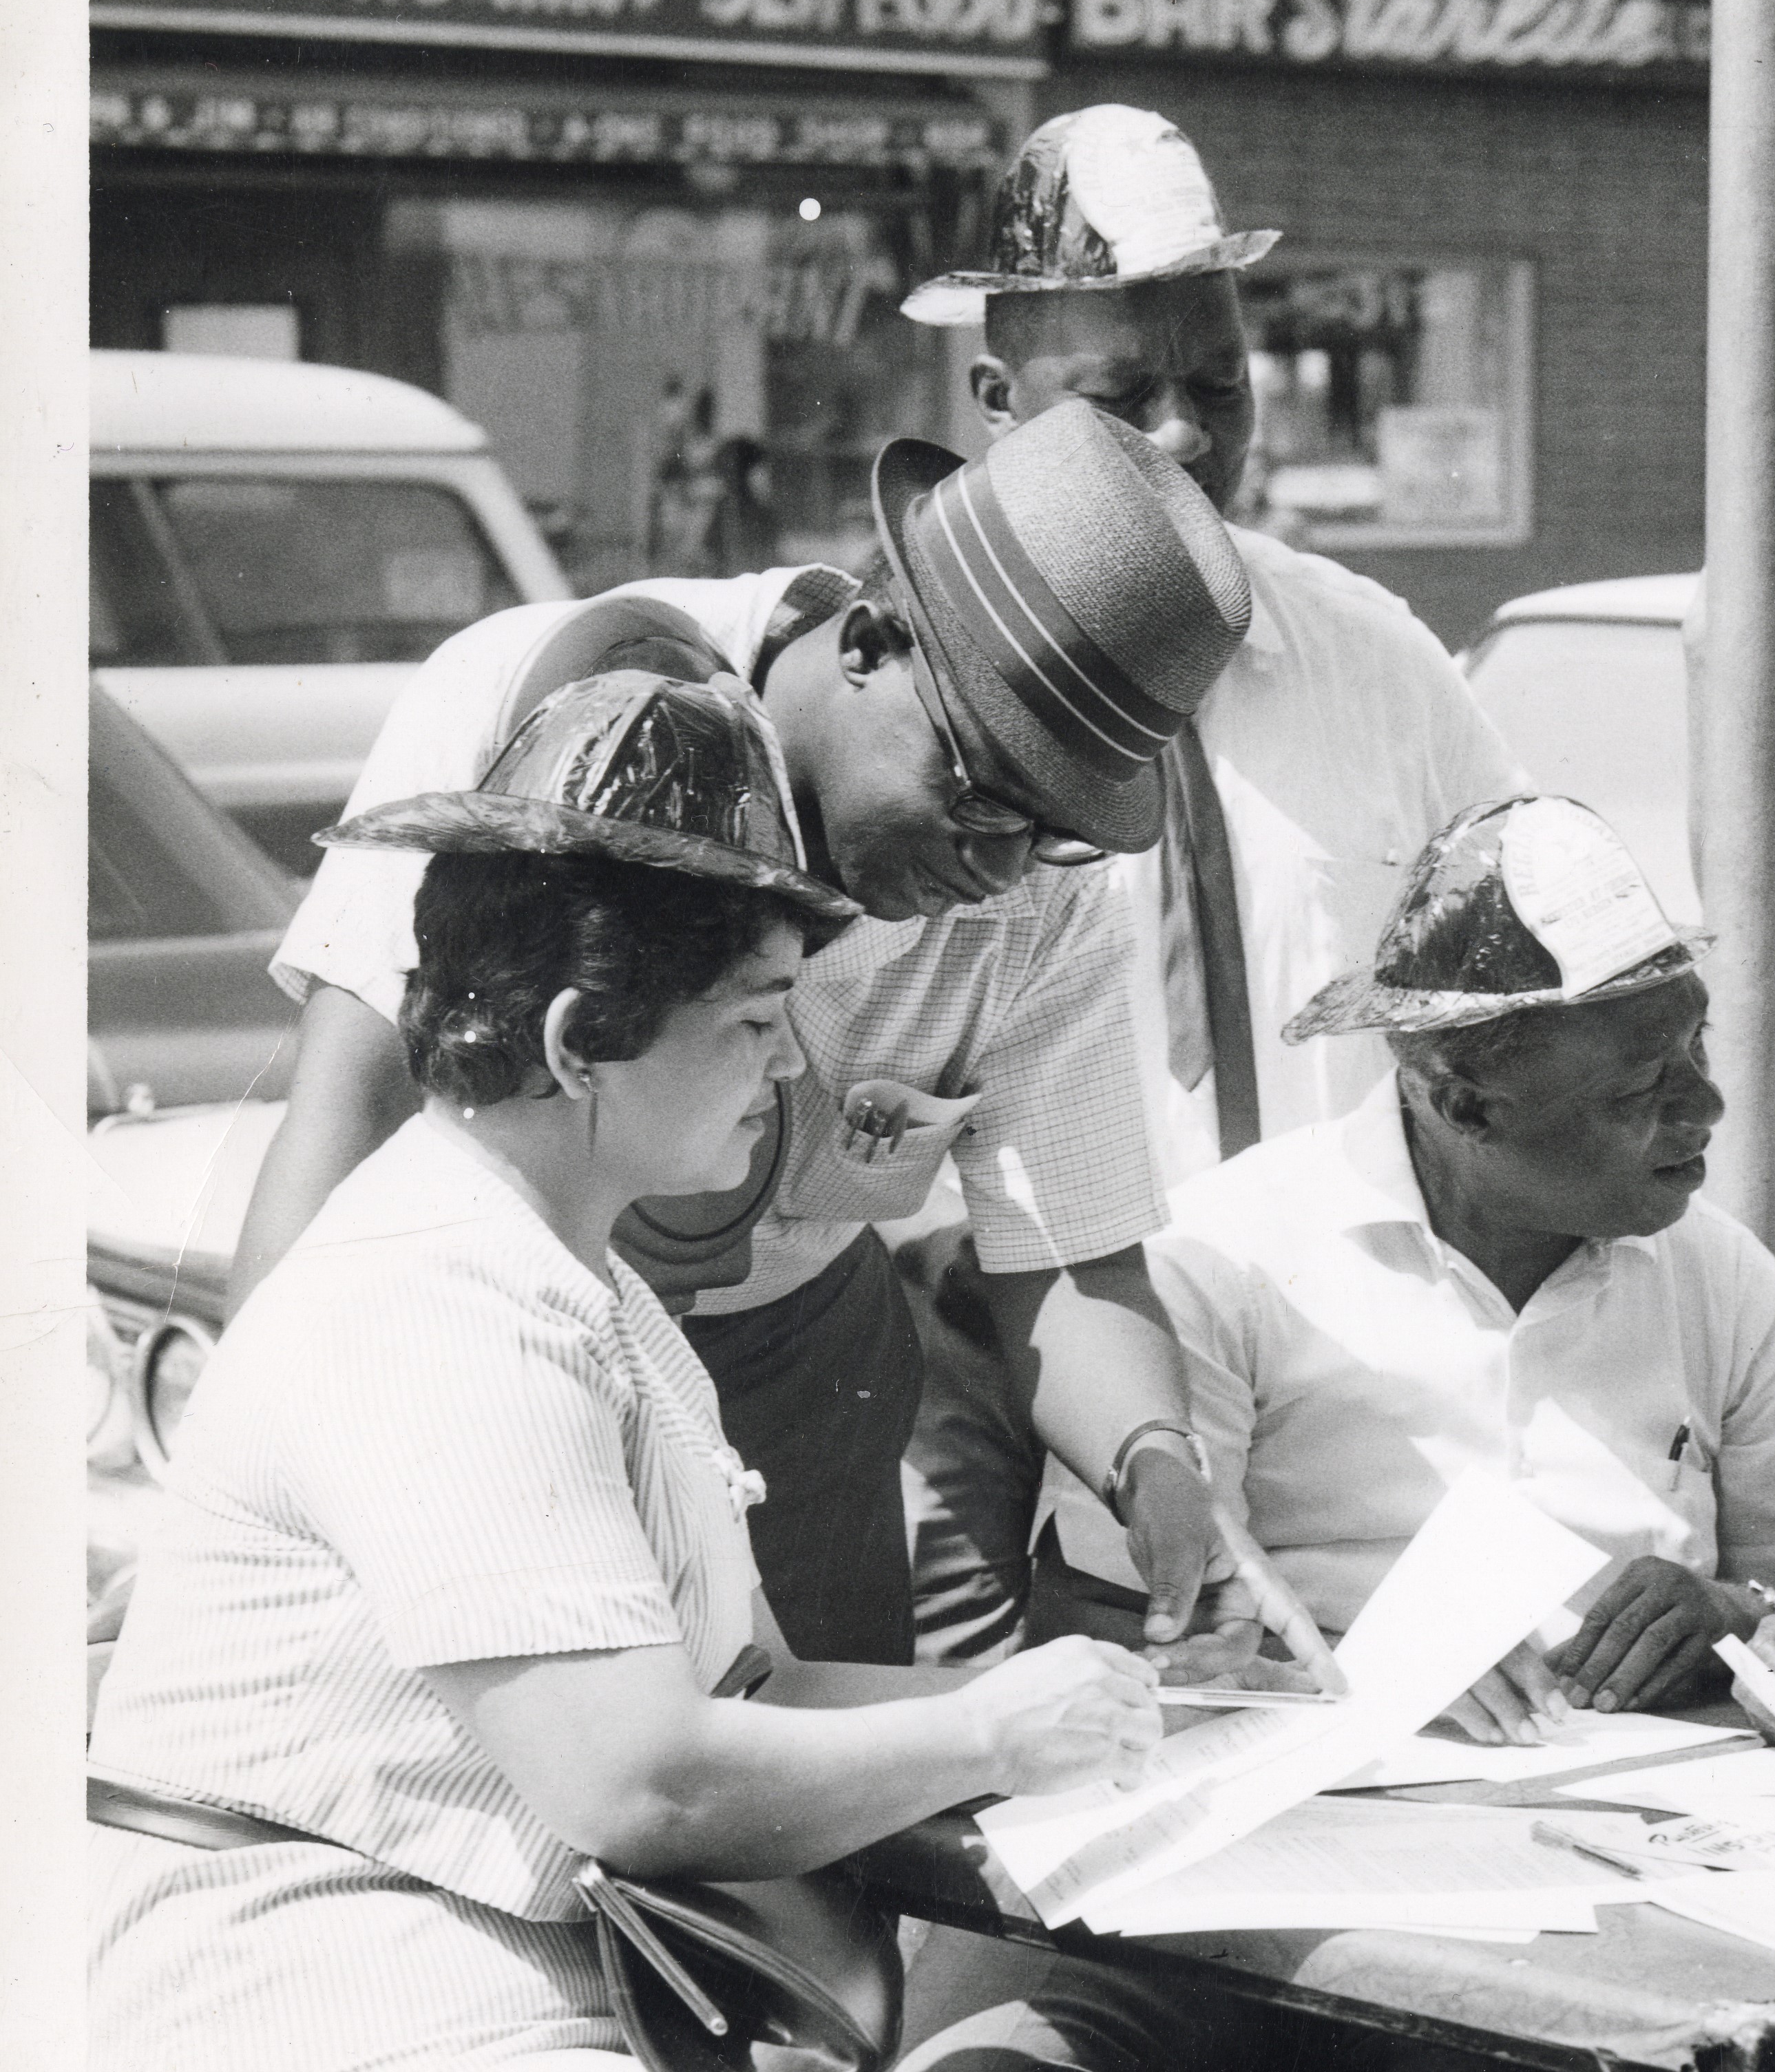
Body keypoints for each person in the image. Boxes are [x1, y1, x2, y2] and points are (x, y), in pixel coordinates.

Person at [87, 673, 1169, 2072]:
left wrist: (1094, 1739)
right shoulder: (441, 1301)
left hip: (472, 2036)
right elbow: (635, 1780)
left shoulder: (571, 1279)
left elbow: (734, 1696)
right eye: (756, 1023)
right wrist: (987, 1719)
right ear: (586, 1038)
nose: (786, 1072)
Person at [903, 794, 1775, 2072]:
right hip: (1250, 1896)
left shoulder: (1709, 1270)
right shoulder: (1228, 1255)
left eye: (1694, 1061)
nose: (1705, 1113)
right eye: (1643, 1081)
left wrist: (1738, 1610)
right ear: (1458, 1095)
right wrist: (1366, 1680)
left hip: (1585, 1918)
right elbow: (1116, 1636)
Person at [231, 398, 1305, 1680]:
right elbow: (345, 1127)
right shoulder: (557, 702)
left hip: (795, 1364)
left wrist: (1156, 1461)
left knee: (813, 1806)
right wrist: (261, 1495)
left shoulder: (1038, 885)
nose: (1002, 865)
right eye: (975, 797)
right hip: (478, 1345)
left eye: (1054, 827)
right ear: (868, 642)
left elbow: (1069, 1250)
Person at [889, 103, 1524, 1658]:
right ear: (994, 400)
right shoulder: (913, 695)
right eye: (1119, 395)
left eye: (1219, 385)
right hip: (991, 1365)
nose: (1182, 436)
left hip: (1327, 1386)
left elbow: (1525, 993)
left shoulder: (1380, 664)